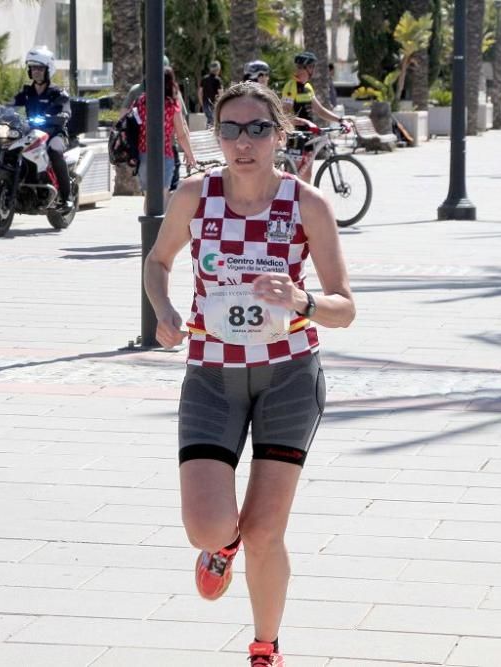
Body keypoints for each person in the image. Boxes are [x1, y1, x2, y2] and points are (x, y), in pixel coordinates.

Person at [144, 81, 355, 667]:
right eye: (231, 129)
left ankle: (266, 646)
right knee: (207, 526)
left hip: (288, 376)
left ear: (279, 136)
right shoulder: (195, 194)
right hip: (211, 374)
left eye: (258, 129)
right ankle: (221, 548)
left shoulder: (307, 203)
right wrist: (163, 311)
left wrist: (303, 299)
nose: (243, 142)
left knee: (267, 531)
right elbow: (158, 260)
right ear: (217, 135)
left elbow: (345, 307)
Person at [13, 46, 73, 211]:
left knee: (54, 150)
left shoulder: (58, 93)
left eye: (39, 68)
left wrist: (62, 116)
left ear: (48, 69)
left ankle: (67, 198)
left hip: (55, 134)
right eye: (33, 68)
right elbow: (10, 105)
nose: (36, 71)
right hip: (32, 134)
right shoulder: (26, 92)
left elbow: (66, 110)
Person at [280, 51, 348, 184]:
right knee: (292, 178)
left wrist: (340, 120)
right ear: (307, 68)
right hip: (296, 135)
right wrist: (303, 122)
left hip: (308, 135)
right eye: (312, 66)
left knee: (307, 175)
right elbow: (285, 115)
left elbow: (319, 110)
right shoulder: (291, 86)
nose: (314, 69)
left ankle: (304, 204)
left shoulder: (308, 87)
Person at [135, 67, 196, 210]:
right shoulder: (171, 104)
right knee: (163, 194)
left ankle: (149, 230)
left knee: (149, 197)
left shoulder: (141, 101)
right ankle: (160, 230)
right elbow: (181, 133)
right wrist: (190, 154)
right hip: (164, 154)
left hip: (143, 153)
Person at [198, 60, 223, 127]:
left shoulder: (204, 79)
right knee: (212, 120)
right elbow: (220, 93)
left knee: (210, 120)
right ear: (218, 69)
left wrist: (202, 103)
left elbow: (200, 92)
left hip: (205, 103)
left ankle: (209, 132)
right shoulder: (218, 80)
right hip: (214, 104)